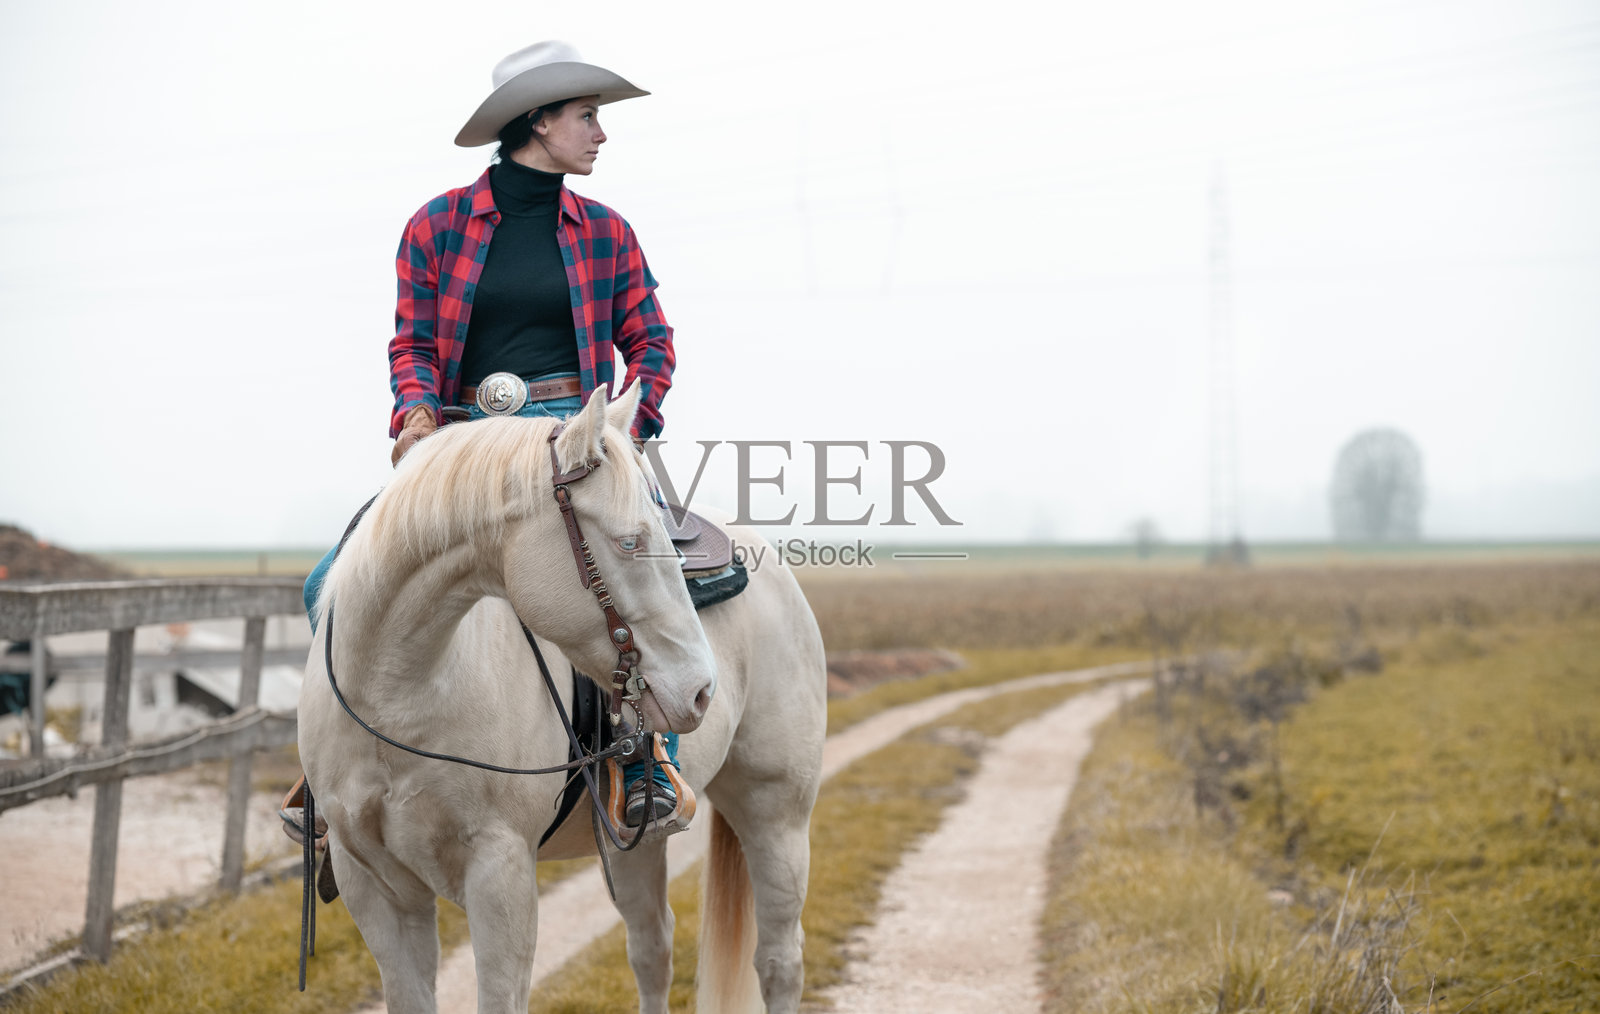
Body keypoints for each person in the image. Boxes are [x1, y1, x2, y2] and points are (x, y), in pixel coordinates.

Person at [300, 40, 682, 832]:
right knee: (329, 583)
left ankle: (640, 752)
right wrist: (415, 413)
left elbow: (652, 343)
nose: (600, 133)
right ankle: (330, 767)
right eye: (587, 116)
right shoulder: (435, 225)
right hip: (462, 447)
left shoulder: (608, 233)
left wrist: (628, 435)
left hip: (576, 444)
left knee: (633, 576)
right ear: (538, 122)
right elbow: (412, 345)